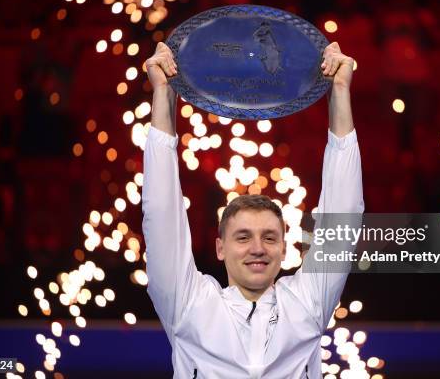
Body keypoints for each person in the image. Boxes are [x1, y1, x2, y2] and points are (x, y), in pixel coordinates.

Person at [142, 41, 364, 378]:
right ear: (220, 247)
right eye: (243, 237)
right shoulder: (188, 304)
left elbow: (343, 213)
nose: (258, 248)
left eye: (270, 238)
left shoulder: (307, 302)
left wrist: (340, 91)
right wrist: (163, 94)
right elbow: (160, 213)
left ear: (286, 248)